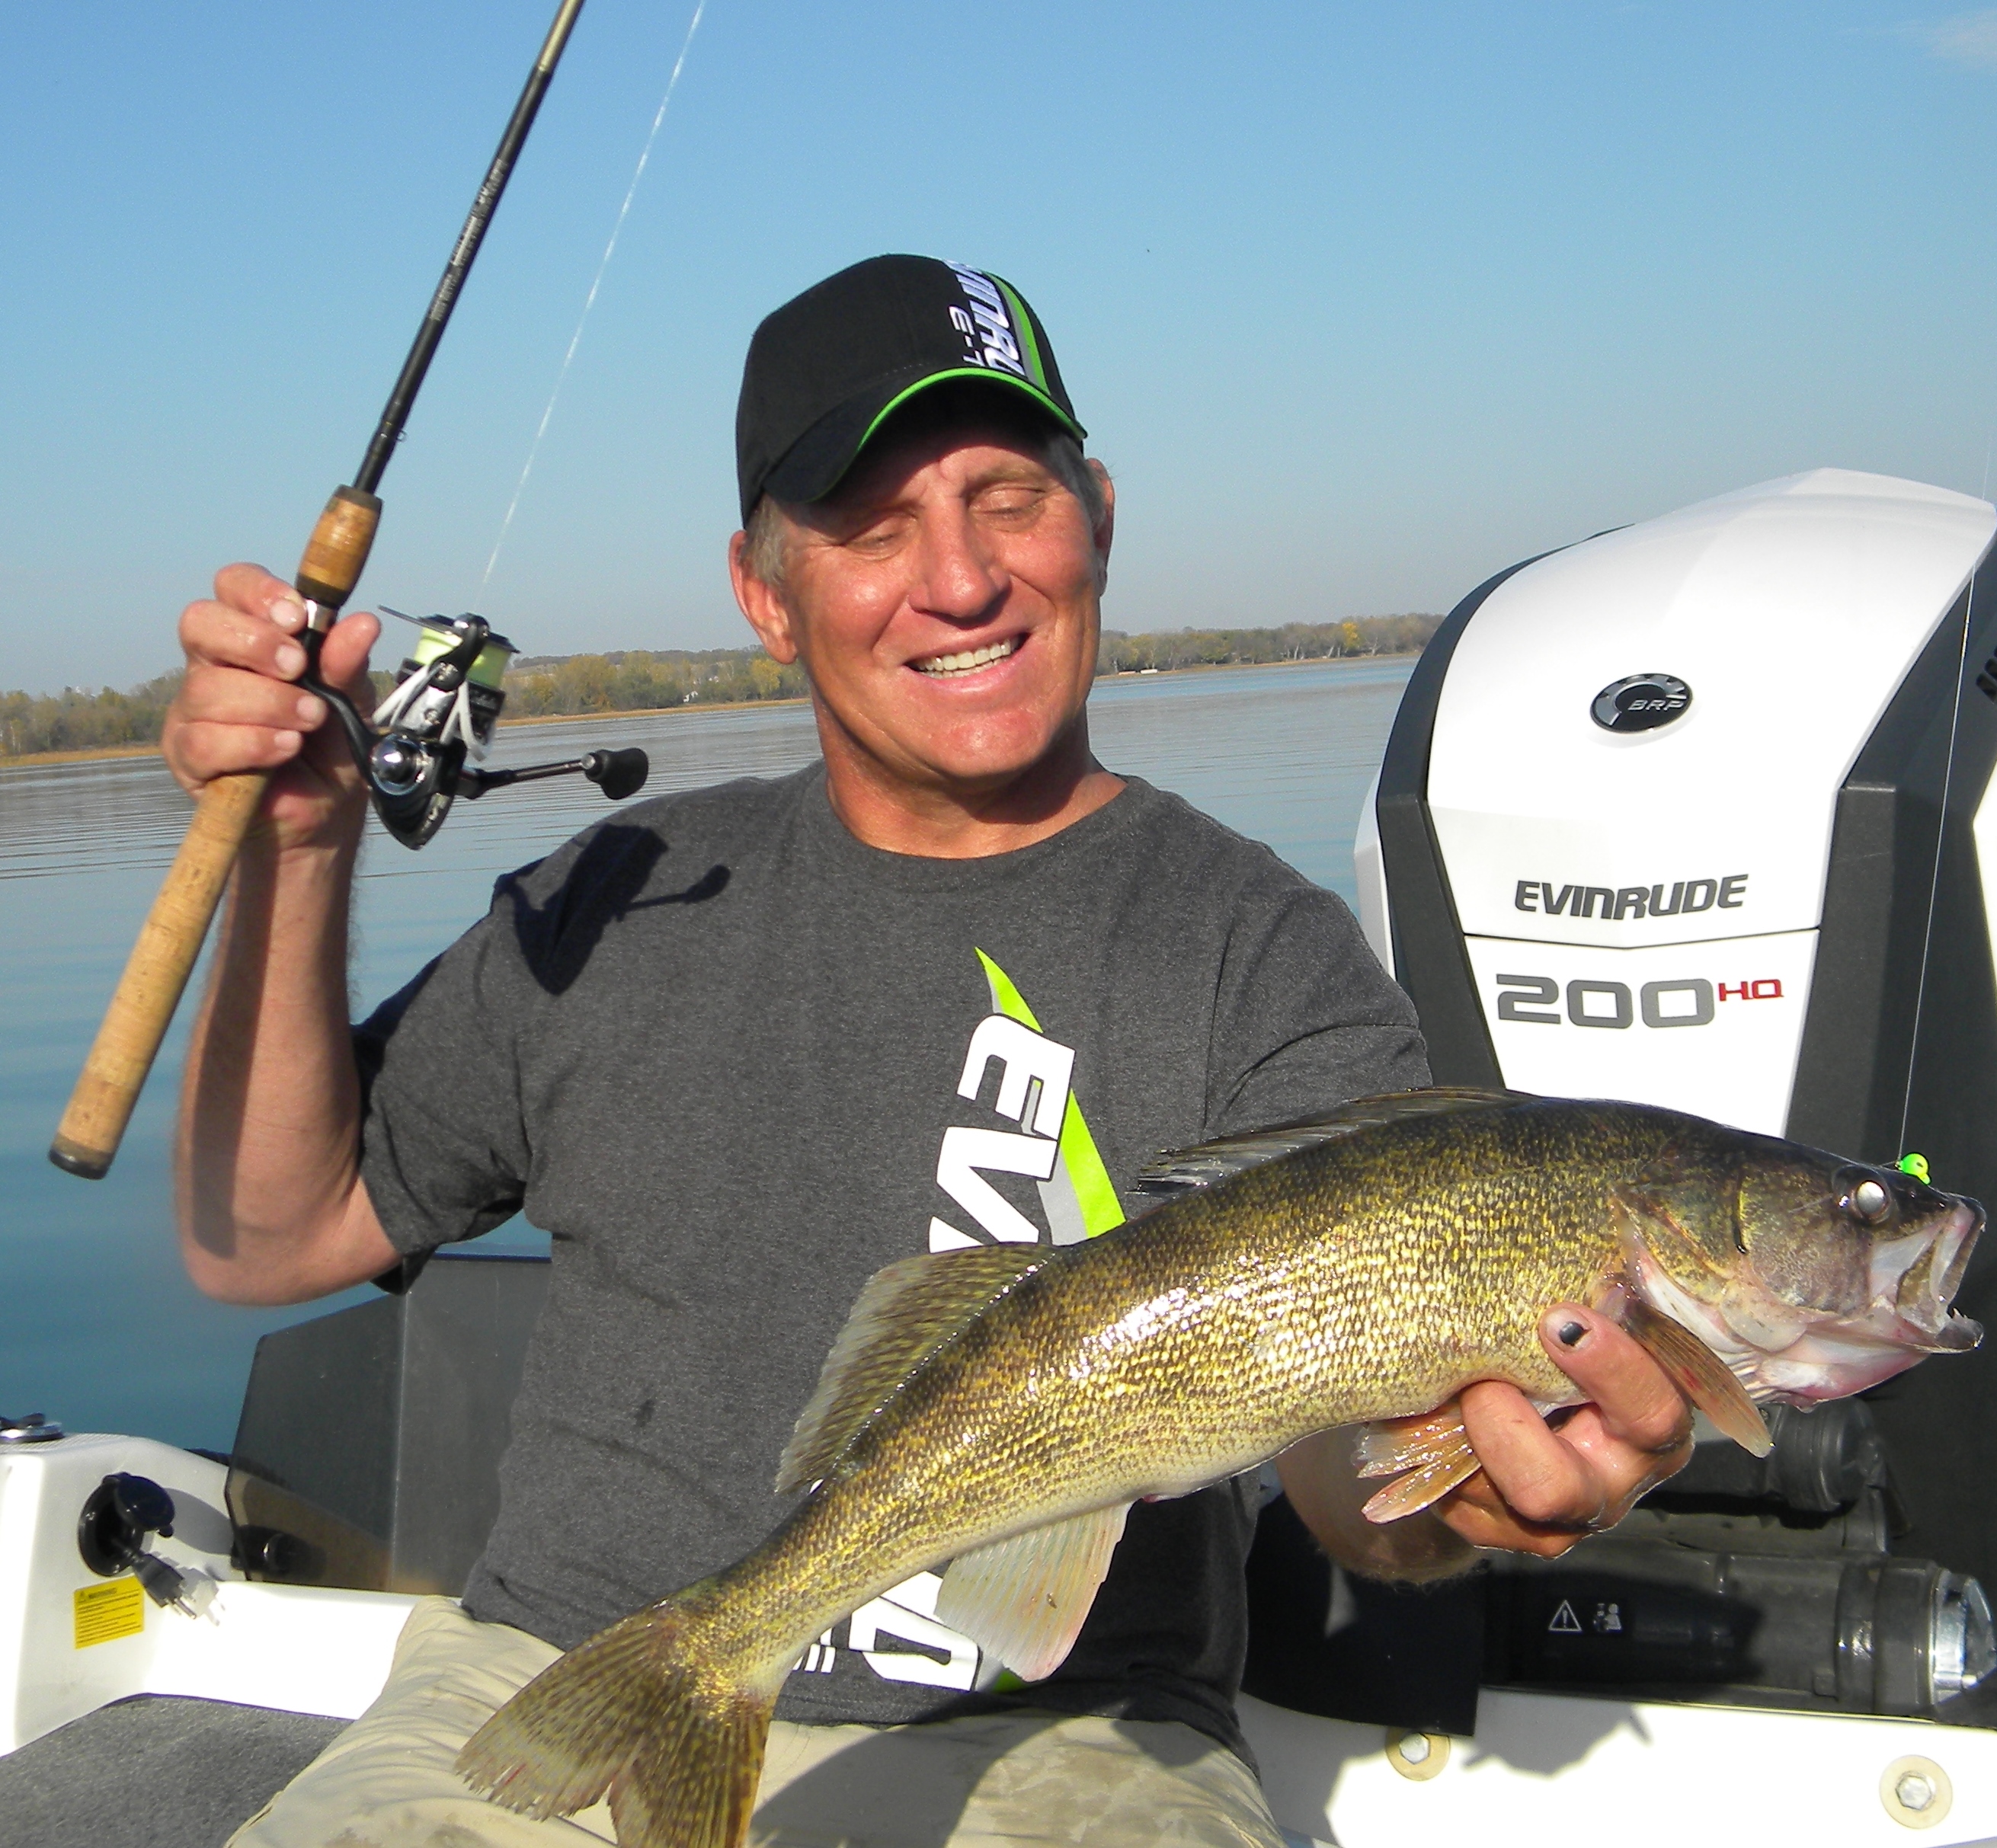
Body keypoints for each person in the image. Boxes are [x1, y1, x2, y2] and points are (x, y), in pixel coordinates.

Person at [163, 255, 1695, 1848]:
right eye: (873, 526)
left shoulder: (1264, 952)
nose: (958, 581)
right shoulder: (615, 895)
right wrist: (289, 859)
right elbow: (268, 1237)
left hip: (1064, 1738)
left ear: (1097, 514)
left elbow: (1341, 1476)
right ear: (764, 593)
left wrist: (1462, 1491)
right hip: (562, 1672)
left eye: (1007, 497)